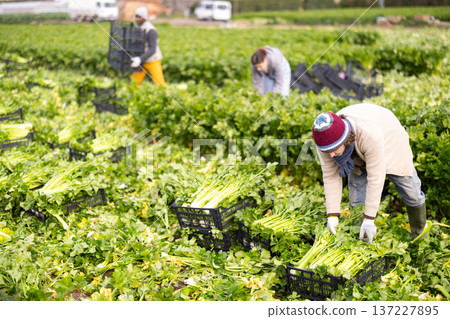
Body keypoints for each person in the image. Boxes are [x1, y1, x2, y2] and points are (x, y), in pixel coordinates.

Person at [311, 103, 427, 243]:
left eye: (334, 150)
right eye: (327, 151)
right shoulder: (324, 143)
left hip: (389, 142)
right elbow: (331, 177)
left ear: (345, 140)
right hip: (357, 153)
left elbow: (376, 178)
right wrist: (332, 215)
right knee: (357, 203)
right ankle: (362, 242)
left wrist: (369, 219)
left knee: (412, 194)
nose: (331, 156)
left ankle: (420, 235)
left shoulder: (370, 134)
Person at [131, 6, 166, 87]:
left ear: (144, 17)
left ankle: (166, 98)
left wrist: (140, 58)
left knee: (160, 84)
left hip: (152, 60)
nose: (137, 19)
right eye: (136, 16)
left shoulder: (151, 30)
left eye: (140, 17)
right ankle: (130, 98)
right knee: (134, 84)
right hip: (141, 62)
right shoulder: (138, 28)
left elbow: (152, 49)